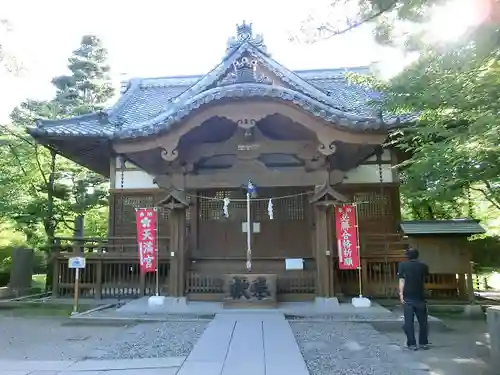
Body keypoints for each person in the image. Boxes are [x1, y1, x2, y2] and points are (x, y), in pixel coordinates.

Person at [397, 247, 430, 351]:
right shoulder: (423, 266)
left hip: (408, 295)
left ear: (407, 256)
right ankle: (423, 343)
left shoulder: (403, 265)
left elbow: (402, 280)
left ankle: (411, 344)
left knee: (409, 322)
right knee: (423, 321)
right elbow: (425, 278)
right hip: (420, 295)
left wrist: (401, 294)